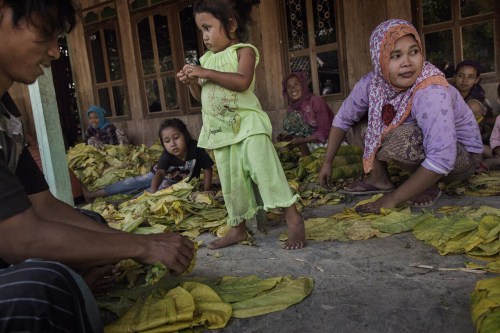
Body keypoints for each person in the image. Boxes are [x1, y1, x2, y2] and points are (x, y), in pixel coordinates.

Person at [0, 1, 194, 331]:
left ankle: (77, 291)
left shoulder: (6, 113)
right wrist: (142, 246)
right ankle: (72, 293)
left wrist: (123, 246)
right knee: (46, 288)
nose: (55, 52)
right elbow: (20, 240)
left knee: (91, 221)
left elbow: (45, 206)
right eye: (45, 35)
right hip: (11, 242)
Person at [318, 19, 483, 213]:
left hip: (462, 157)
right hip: (431, 149)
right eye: (395, 56)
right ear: (380, 59)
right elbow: (343, 119)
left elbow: (442, 157)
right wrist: (327, 163)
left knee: (399, 137)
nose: (407, 62)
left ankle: (428, 184)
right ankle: (379, 178)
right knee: (362, 122)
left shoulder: (431, 90)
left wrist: (392, 200)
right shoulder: (373, 83)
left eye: (414, 52)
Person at [177, 0, 305, 250]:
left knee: (267, 174)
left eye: (208, 28)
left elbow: (242, 81)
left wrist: (203, 72)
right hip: (221, 133)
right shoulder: (206, 60)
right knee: (232, 184)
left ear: (231, 25)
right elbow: (200, 96)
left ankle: (293, 218)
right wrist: (191, 82)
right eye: (201, 30)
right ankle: (238, 228)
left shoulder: (243, 51)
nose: (204, 36)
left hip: (249, 127)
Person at [83, 118, 215, 201]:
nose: (173, 144)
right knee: (132, 182)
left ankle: (126, 203)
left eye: (176, 137)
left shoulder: (196, 148)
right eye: (167, 141)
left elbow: (207, 168)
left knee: (162, 187)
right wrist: (153, 191)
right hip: (157, 174)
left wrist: (206, 189)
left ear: (185, 136)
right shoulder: (167, 155)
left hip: (178, 183)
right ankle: (93, 194)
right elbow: (160, 173)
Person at [279, 71, 334, 156]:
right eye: (289, 86)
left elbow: (324, 132)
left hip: (328, 142)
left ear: (303, 85)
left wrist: (301, 141)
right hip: (306, 145)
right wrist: (287, 137)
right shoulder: (291, 109)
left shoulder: (315, 101)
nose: (293, 89)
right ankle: (307, 160)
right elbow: (298, 134)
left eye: (296, 84)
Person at [453, 60, 495, 144]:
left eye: (471, 77)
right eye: (461, 76)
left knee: (473, 106)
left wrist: (480, 129)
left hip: (475, 138)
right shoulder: (446, 94)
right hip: (450, 135)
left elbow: (492, 123)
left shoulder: (480, 99)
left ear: (476, 80)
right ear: (454, 77)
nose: (465, 80)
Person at [476, 84, 500, 173]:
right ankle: (495, 161)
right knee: (481, 148)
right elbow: (494, 138)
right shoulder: (498, 119)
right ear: (499, 100)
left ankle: (493, 162)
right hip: (499, 153)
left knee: (490, 160)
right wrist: (497, 148)